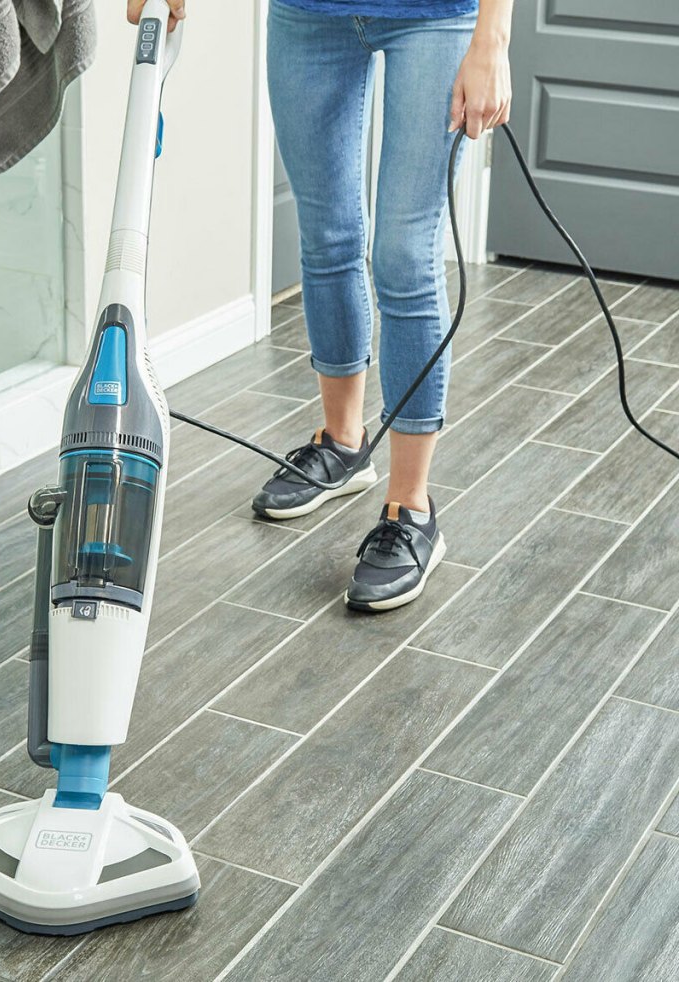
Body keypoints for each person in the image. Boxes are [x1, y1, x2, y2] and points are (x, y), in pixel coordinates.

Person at [127, 0, 512, 610]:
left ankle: (411, 507)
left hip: (437, 16)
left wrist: (492, 36)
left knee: (405, 257)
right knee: (328, 235)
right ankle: (342, 443)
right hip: (308, 13)